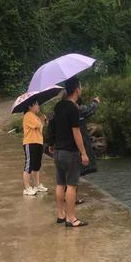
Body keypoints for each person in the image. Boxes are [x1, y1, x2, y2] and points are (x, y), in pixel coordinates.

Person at [51, 77, 89, 227]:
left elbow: (53, 127)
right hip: (69, 152)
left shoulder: (58, 106)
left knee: (60, 184)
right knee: (71, 185)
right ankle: (71, 218)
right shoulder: (73, 108)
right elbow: (76, 132)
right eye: (80, 87)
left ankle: (61, 214)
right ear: (76, 89)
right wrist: (84, 153)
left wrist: (52, 143)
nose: (81, 89)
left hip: (58, 151)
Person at [22, 101, 49, 196]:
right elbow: (38, 125)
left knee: (37, 165)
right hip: (30, 142)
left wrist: (43, 121)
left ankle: (37, 185)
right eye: (36, 104)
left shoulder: (36, 116)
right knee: (29, 165)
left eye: (38, 104)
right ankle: (27, 187)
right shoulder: (28, 115)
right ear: (30, 106)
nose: (38, 106)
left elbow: (40, 128)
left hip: (38, 142)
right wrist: (42, 120)